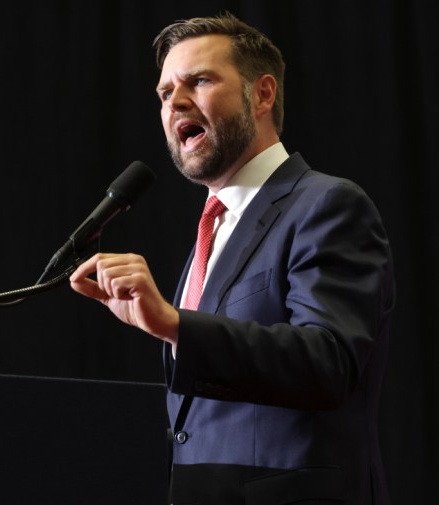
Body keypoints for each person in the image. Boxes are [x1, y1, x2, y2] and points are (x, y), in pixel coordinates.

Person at [69, 13, 395, 505]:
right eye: (163, 93)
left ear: (262, 95)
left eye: (198, 81)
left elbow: (328, 361)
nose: (175, 101)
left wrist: (177, 324)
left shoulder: (326, 205)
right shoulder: (215, 228)